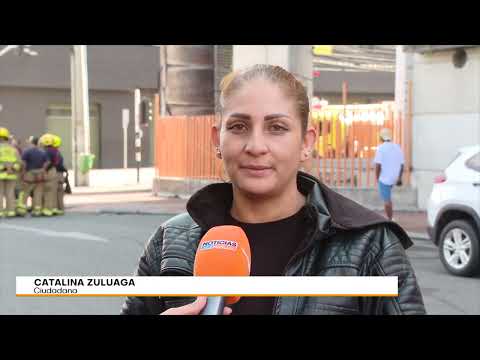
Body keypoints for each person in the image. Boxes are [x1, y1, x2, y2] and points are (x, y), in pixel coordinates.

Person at [121, 64, 425, 315]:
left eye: (276, 128)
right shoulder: (169, 244)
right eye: (239, 126)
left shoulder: (370, 246)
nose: (255, 146)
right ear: (217, 139)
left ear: (306, 143)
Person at [374, 128, 405, 221]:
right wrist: (399, 178)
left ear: (381, 137)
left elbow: (378, 165)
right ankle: (390, 217)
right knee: (387, 198)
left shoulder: (381, 148)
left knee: (387, 200)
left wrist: (377, 178)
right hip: (394, 177)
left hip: (384, 179)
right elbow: (402, 164)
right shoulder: (397, 147)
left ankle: (390, 219)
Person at [16, 136, 49, 217]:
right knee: (38, 193)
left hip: (30, 173)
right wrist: (43, 169)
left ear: (31, 142)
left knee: (25, 192)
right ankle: (37, 210)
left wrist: (22, 173)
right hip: (40, 174)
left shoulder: (27, 151)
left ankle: (22, 210)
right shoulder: (42, 152)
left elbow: (23, 163)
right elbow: (47, 162)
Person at [0, 127, 22, 218]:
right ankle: (11, 211)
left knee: (0, 193)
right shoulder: (14, 149)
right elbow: (19, 163)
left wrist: (4, 168)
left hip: (1, 173)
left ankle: (1, 212)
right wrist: (12, 169)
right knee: (10, 192)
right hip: (12, 174)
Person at [39, 133, 59, 217]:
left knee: (46, 191)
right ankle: (51, 208)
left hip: (48, 171)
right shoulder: (55, 150)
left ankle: (46, 209)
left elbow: (48, 162)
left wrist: (43, 170)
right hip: (54, 171)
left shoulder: (45, 151)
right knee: (51, 191)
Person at [52, 135, 67, 215]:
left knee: (55, 192)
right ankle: (61, 208)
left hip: (56, 174)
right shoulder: (58, 153)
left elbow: (55, 164)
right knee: (60, 192)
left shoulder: (53, 153)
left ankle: (55, 208)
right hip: (60, 175)